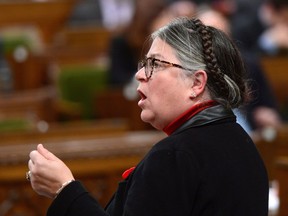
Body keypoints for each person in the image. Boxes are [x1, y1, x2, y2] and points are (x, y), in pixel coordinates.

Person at [28, 17, 269, 215]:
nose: (140, 75)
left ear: (196, 83)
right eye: (143, 63)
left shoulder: (174, 157)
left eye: (154, 64)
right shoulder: (243, 143)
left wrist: (64, 189)